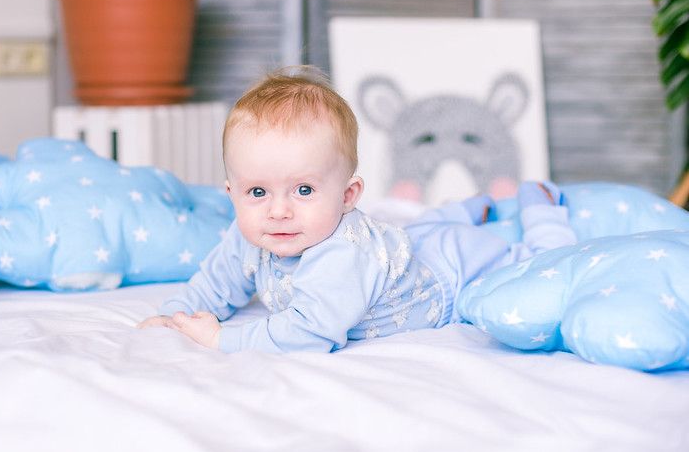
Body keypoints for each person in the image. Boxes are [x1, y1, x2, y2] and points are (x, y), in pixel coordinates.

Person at [137, 66, 578, 353]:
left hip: (451, 270)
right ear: (231, 193)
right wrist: (178, 315)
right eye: (257, 193)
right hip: (408, 247)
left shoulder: (342, 254)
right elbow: (214, 285)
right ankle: (466, 208)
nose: (278, 211)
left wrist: (221, 339)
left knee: (537, 264)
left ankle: (540, 210)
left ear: (348, 196)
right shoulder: (252, 233)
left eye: (304, 189)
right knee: (415, 229)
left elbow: (309, 334)